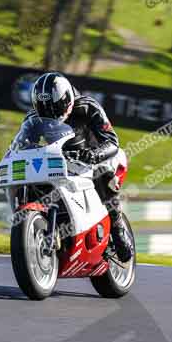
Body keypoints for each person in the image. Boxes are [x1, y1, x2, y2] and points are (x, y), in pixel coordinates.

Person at [27, 72, 133, 262]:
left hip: (95, 158)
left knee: (103, 174)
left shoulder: (87, 106)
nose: (51, 115)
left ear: (67, 99)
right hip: (60, 162)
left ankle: (117, 227)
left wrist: (93, 154)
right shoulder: (34, 117)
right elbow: (25, 143)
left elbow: (111, 140)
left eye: (55, 109)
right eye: (45, 111)